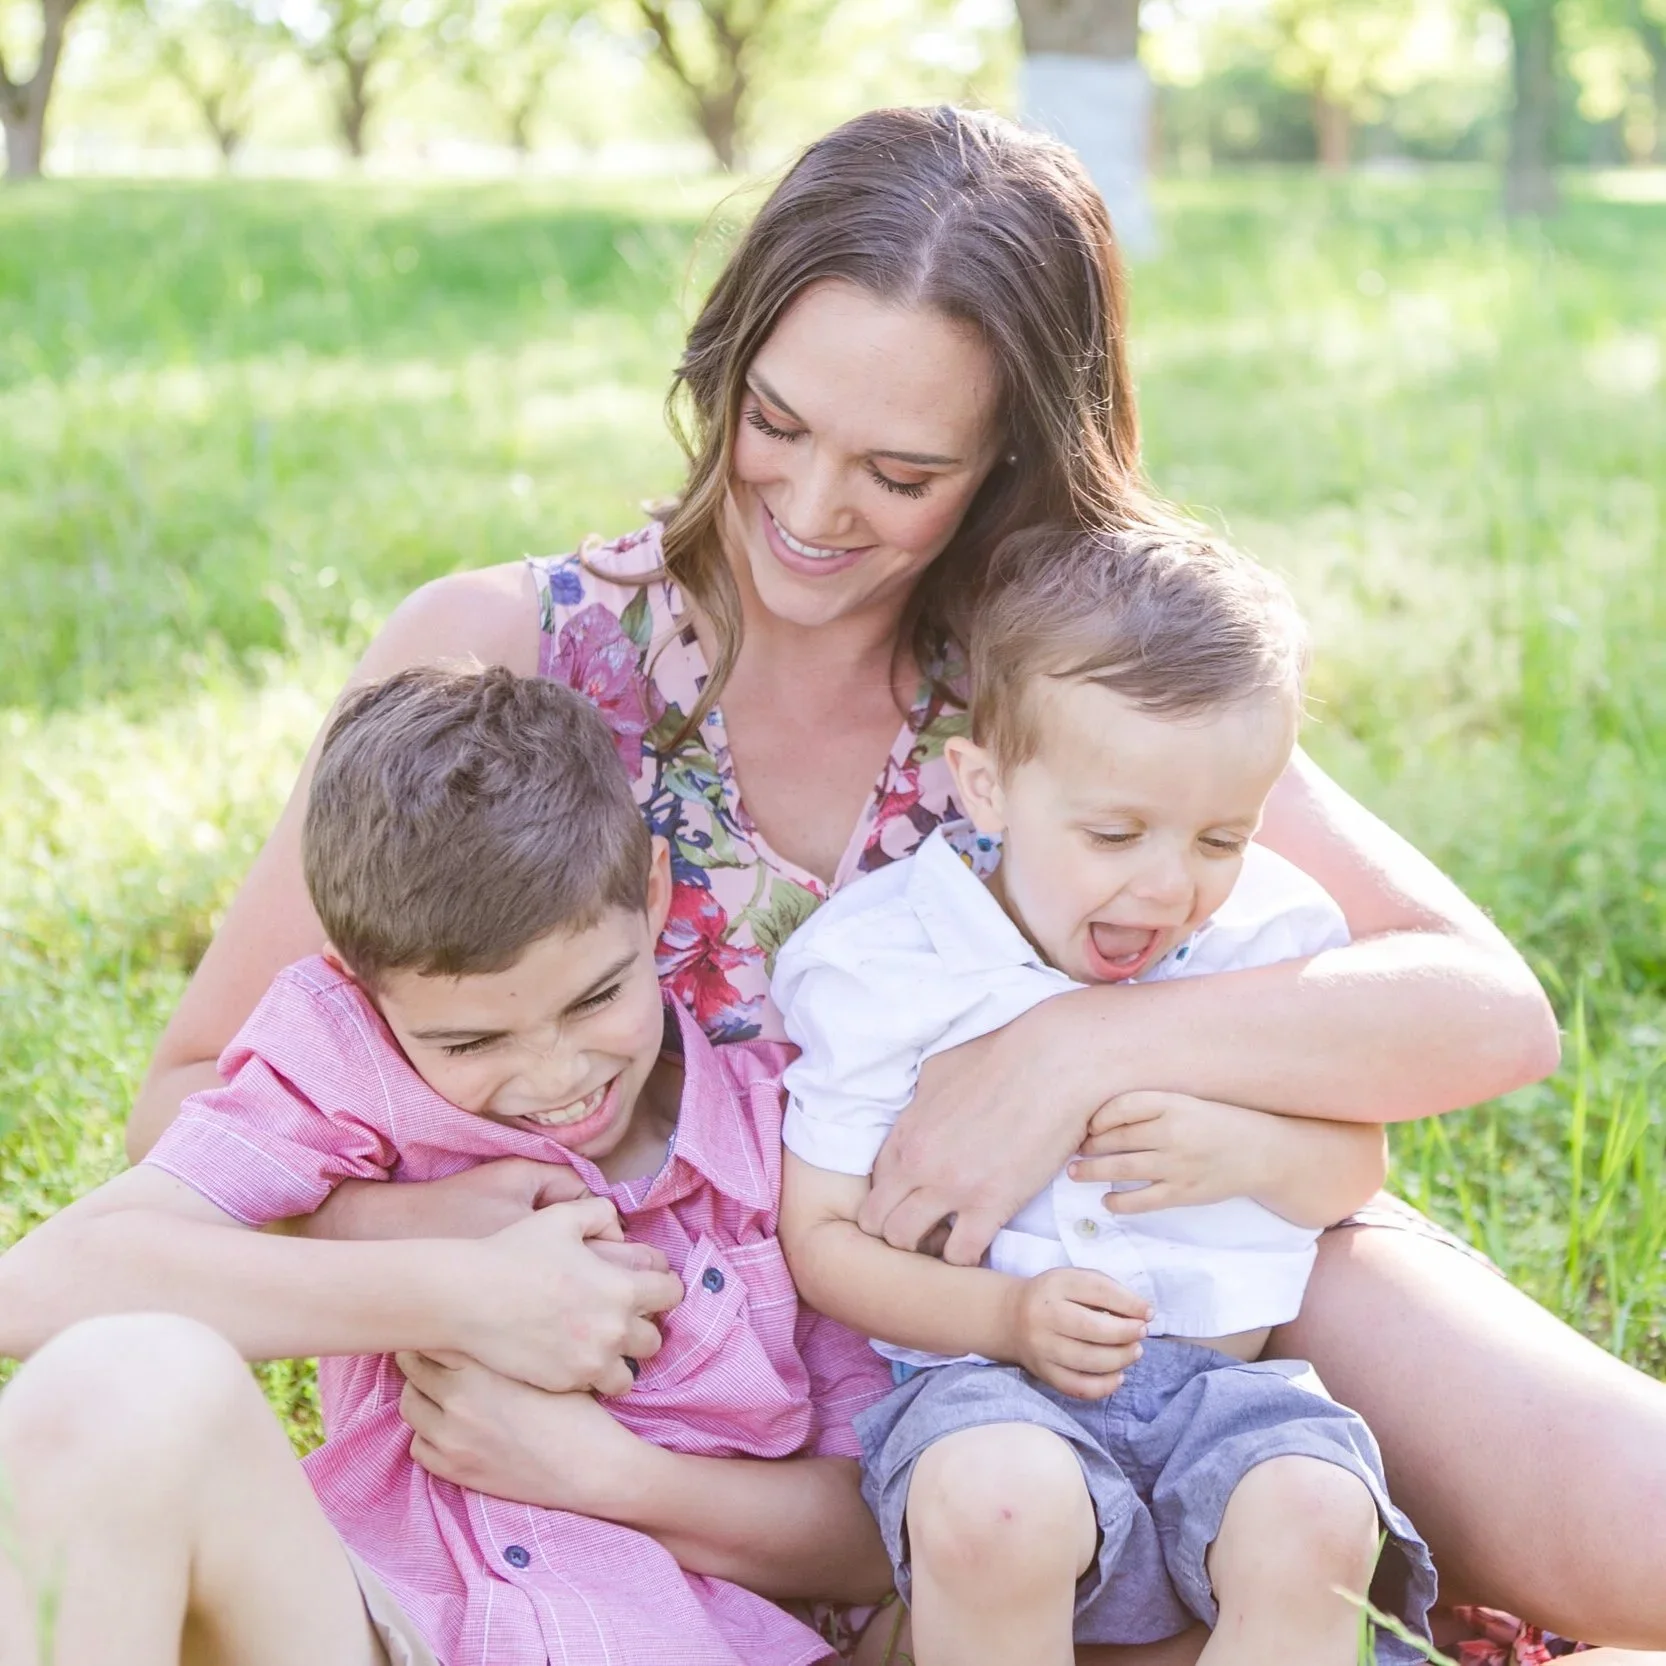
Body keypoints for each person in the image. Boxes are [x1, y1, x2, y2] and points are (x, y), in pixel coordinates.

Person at [119, 105, 1666, 1661]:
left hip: (1148, 1293)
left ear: (1008, 460)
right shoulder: (514, 653)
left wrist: (1076, 1049)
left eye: (901, 469)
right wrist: (428, 1245)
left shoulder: (1043, 673)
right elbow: (188, 1093)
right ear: (722, 366)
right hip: (777, 1412)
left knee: (1637, 1524)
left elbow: (1485, 1010)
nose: (806, 506)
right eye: (774, 421)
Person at [0, 666, 895, 1666]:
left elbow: (880, 1537)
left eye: (595, 997)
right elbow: (40, 1288)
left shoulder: (789, 1137)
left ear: (651, 892)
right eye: (469, 1043)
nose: (556, 1076)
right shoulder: (351, 1066)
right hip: (383, 1635)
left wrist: (607, 1474)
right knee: (122, 1380)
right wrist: (458, 1291)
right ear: (362, 989)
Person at [776, 524, 1435, 1666]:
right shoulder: (882, 963)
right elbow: (820, 1238)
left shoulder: (1270, 938)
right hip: (987, 1387)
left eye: (1220, 836)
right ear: (985, 787)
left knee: (1319, 1513)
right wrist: (1006, 1318)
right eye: (1115, 832)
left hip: (1224, 1394)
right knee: (996, 1506)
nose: (1171, 883)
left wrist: (1248, 1150)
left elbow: (1353, 1169)